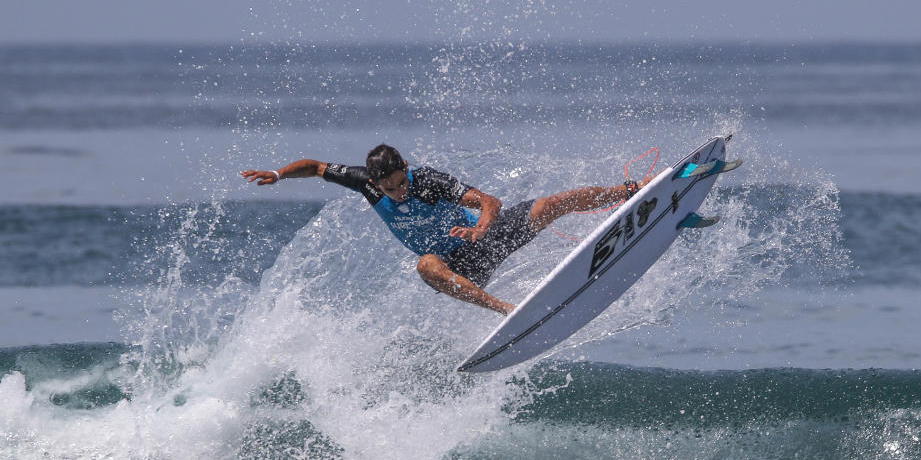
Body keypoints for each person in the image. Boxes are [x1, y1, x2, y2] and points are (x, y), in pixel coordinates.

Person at [241, 144, 638, 315]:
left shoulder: (428, 181)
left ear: (405, 171)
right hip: (460, 264)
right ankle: (505, 310)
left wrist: (481, 228)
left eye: (401, 183)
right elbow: (316, 166)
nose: (397, 192)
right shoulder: (364, 181)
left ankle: (632, 191)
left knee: (549, 205)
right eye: (388, 188)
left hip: (486, 237)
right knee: (426, 266)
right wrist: (278, 174)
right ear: (375, 183)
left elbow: (489, 202)